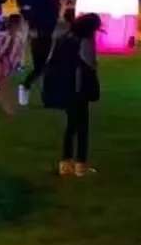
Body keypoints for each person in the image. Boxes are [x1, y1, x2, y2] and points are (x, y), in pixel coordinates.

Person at [43, 12, 101, 177]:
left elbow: (51, 59)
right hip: (79, 87)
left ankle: (65, 163)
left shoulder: (64, 37)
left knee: (70, 126)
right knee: (82, 126)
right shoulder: (85, 41)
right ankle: (80, 165)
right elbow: (90, 62)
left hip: (64, 85)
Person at [19, 0, 62, 107]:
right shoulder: (40, 3)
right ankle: (27, 86)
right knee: (40, 67)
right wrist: (33, 30)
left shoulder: (53, 4)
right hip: (39, 37)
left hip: (47, 37)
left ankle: (45, 95)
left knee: (45, 67)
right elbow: (31, 16)